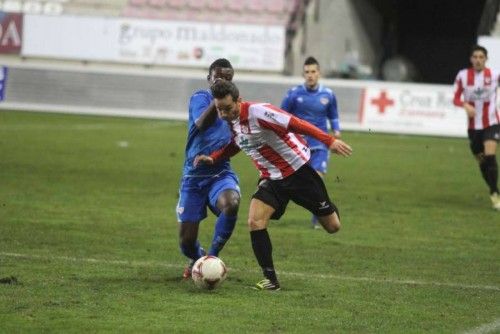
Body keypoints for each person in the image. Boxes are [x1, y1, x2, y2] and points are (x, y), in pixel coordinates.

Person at [194, 80, 352, 290]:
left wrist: (329, 140)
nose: (223, 114)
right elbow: (237, 143)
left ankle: (328, 206)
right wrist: (214, 158)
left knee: (333, 227)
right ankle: (271, 280)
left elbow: (296, 123)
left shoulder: (260, 112)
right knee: (255, 221)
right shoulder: (231, 121)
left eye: (227, 109)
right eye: (219, 109)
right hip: (271, 178)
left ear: (239, 101)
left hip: (298, 172)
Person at [176, 59, 241, 279]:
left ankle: (210, 259)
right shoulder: (200, 98)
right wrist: (218, 99)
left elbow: (241, 139)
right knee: (186, 243)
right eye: (219, 78)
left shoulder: (234, 104)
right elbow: (201, 124)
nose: (223, 82)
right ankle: (197, 256)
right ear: (209, 79)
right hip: (193, 177)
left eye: (228, 79)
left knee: (231, 203)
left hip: (220, 173)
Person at [281, 56, 341, 229]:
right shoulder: (293, 94)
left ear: (319, 73)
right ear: (303, 73)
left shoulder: (328, 95)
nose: (310, 75)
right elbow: (281, 116)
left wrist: (336, 130)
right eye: (307, 72)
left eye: (313, 72)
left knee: (318, 181)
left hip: (320, 145)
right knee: (297, 184)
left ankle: (318, 219)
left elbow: (333, 115)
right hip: (298, 147)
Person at [453, 45, 500, 211]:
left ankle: (495, 194)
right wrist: (465, 105)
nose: (478, 60)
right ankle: (493, 188)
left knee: (490, 156)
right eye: (475, 57)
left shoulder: (494, 75)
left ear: (486, 59)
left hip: (492, 122)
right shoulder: (463, 76)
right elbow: (455, 99)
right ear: (471, 59)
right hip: (473, 128)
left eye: (481, 57)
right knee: (482, 163)